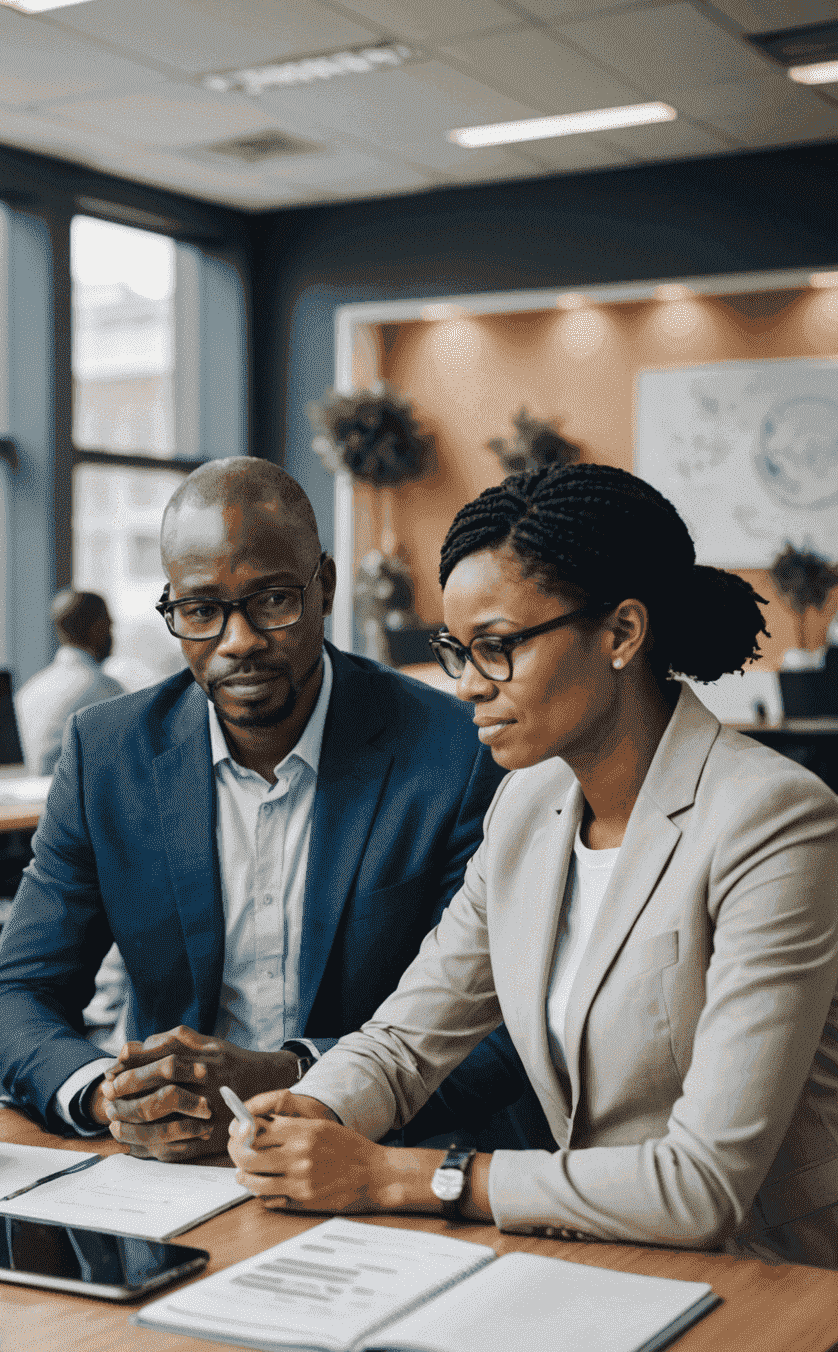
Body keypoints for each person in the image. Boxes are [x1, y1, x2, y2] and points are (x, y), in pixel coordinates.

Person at [230, 463, 838, 1269]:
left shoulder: (772, 820)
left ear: (621, 633)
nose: (471, 686)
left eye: (498, 648)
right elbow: (408, 1040)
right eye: (458, 651)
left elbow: (703, 1183)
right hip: (596, 1262)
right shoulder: (527, 806)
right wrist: (311, 1109)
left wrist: (396, 1176)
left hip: (767, 1282)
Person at [0, 456, 530, 1160]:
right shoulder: (107, 755)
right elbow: (15, 996)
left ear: (323, 586)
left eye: (271, 601)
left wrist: (297, 1075)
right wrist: (105, 1095)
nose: (238, 642)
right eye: (201, 611)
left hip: (379, 1160)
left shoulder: (453, 753)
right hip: (166, 1167)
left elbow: (502, 1031)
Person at [13, 588, 124, 777]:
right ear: (97, 627)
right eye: (109, 625)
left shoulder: (30, 689)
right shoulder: (104, 689)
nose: (112, 632)